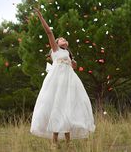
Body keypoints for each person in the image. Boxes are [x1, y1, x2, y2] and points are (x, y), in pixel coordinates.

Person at [29, 8, 96, 150]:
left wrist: (73, 64)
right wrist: (41, 16)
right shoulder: (56, 50)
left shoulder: (67, 54)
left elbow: (73, 67)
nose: (64, 40)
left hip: (70, 82)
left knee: (68, 108)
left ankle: (68, 142)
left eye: (65, 39)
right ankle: (54, 140)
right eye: (61, 39)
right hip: (58, 81)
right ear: (57, 43)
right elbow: (49, 32)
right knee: (57, 106)